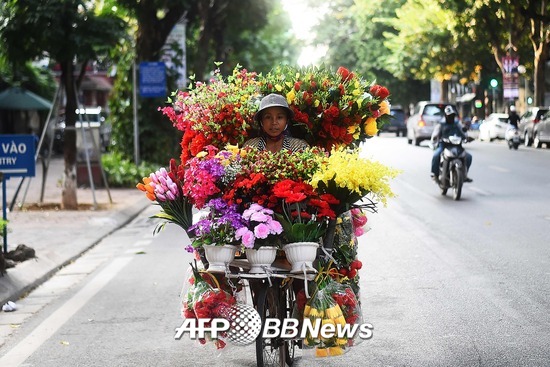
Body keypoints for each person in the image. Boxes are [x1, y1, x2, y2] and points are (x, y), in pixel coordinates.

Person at [243, 93, 309, 153]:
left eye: (279, 117)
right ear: (261, 121)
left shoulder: (299, 147)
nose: (274, 122)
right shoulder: (250, 147)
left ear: (286, 120)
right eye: (268, 117)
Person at [430, 105, 473, 183]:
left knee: (469, 157)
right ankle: (435, 174)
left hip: (457, 146)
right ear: (446, 115)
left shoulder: (457, 123)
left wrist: (467, 137)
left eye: (452, 115)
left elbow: (463, 132)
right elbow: (435, 134)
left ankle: (464, 174)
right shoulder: (441, 124)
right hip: (444, 146)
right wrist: (434, 139)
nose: (451, 117)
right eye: (449, 116)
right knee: (436, 155)